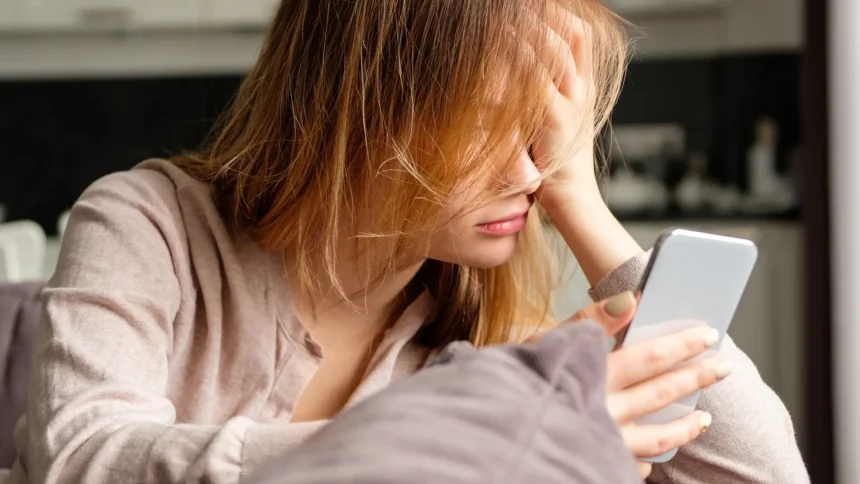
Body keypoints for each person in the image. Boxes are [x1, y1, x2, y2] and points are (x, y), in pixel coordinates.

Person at [4, 1, 806, 483]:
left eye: (545, 131)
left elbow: (764, 476)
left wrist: (579, 200)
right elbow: (82, 462)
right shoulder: (147, 225)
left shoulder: (478, 339)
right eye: (490, 122)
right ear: (363, 106)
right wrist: (451, 441)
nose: (530, 170)